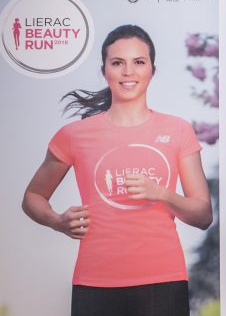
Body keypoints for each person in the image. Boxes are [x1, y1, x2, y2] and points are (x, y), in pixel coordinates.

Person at [22, 25, 213, 316]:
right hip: (95, 281)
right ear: (104, 71)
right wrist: (56, 221)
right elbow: (33, 195)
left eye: (138, 62)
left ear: (152, 69)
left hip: (162, 279)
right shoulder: (74, 135)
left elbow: (202, 216)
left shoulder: (178, 130)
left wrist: (162, 194)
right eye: (117, 63)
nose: (128, 71)